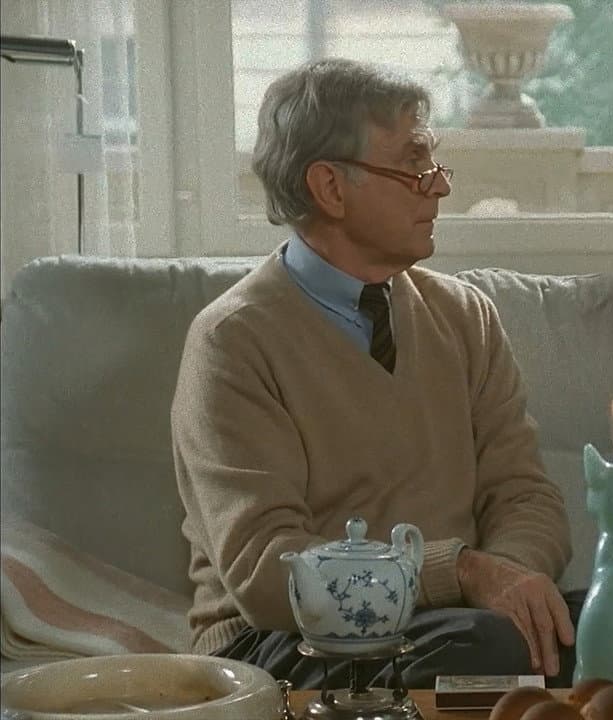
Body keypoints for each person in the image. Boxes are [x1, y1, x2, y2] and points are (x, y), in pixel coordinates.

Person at [171, 57, 580, 689]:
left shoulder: (465, 316)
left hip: (458, 626)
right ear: (331, 188)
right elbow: (267, 571)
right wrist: (462, 574)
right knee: (485, 650)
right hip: (286, 641)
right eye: (414, 165)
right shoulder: (233, 341)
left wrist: (510, 586)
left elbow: (525, 497)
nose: (438, 187)